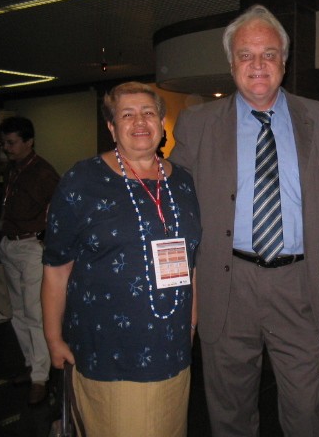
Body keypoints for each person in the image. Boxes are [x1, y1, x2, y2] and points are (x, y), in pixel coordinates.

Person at [170, 4, 319, 436]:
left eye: (269, 54)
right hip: (227, 282)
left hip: (299, 284)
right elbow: (174, 202)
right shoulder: (197, 124)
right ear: (231, 64)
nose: (258, 65)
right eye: (246, 55)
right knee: (229, 408)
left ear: (284, 63)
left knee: (305, 408)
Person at [41, 82, 201, 436]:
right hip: (109, 351)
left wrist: (190, 325)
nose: (139, 121)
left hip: (173, 349)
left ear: (162, 124)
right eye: (126, 115)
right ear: (112, 128)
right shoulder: (82, 181)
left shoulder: (184, 183)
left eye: (148, 112)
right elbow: (56, 269)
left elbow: (190, 265)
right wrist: (53, 339)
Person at [0, 116, 59, 404]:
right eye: (4, 143)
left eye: (11, 143)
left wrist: (46, 239)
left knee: (35, 313)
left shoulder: (42, 172)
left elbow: (59, 208)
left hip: (32, 246)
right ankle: (30, 364)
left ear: (28, 141)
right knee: (18, 311)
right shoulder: (13, 169)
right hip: (9, 245)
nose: (6, 148)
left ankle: (40, 378)